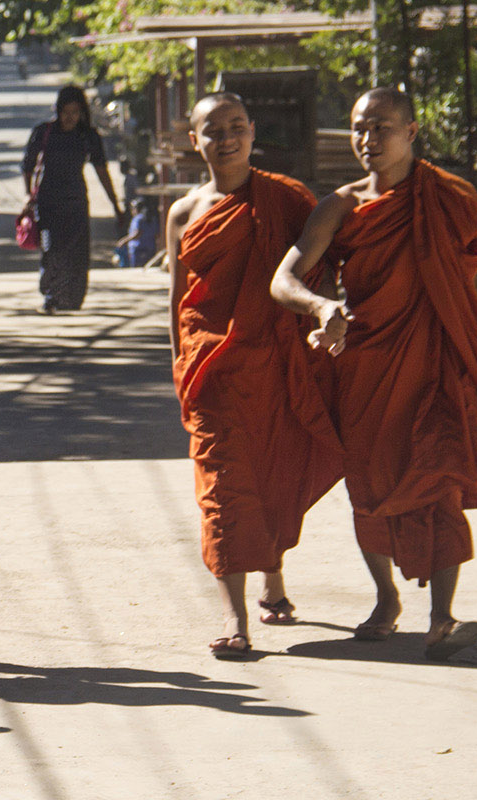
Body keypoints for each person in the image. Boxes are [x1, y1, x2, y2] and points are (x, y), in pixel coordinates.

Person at [270, 87, 477, 661]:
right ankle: (386, 597)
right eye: (360, 128)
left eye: (381, 127)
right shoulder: (341, 206)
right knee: (371, 487)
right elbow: (283, 280)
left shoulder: (451, 197)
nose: (368, 139)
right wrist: (320, 307)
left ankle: (442, 619)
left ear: (411, 131)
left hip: (440, 359)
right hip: (367, 366)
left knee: (441, 480)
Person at [164, 93, 344, 660]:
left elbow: (322, 270)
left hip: (276, 362)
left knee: (270, 473)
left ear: (253, 131)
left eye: (237, 126)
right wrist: (181, 366)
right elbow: (178, 301)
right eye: (212, 129)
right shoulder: (184, 212)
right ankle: (234, 617)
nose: (226, 138)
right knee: (223, 488)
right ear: (195, 141)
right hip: (211, 369)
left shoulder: (288, 199)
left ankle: (274, 578)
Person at [22, 84, 122, 314]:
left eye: (75, 112)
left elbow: (101, 170)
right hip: (47, 201)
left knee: (77, 252)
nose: (69, 118)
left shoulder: (88, 136)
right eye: (65, 112)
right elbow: (27, 165)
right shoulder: (44, 132)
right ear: (58, 110)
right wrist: (29, 196)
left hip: (76, 200)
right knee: (52, 248)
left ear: (82, 112)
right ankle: (51, 294)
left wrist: (115, 204)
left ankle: (72, 298)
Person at [127, 199, 159, 269]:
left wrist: (124, 241)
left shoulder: (138, 219)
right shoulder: (153, 219)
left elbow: (137, 233)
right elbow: (157, 234)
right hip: (150, 248)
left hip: (137, 249)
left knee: (136, 269)